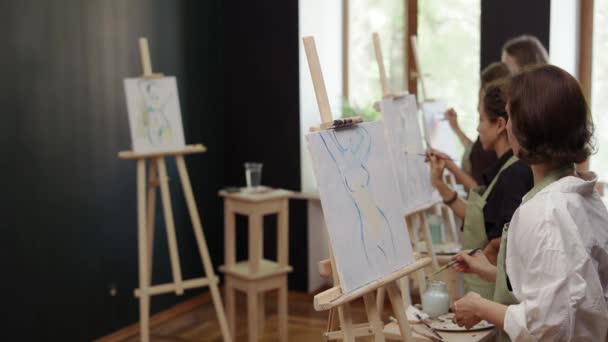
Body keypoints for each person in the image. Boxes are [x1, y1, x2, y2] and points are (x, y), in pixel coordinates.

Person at [451, 65, 608, 341]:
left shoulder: (544, 212)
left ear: (528, 127)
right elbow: (561, 288)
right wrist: (492, 272)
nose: (507, 124)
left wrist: (480, 306)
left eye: (510, 116)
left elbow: (547, 324)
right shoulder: (582, 196)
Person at [429, 80, 533, 300]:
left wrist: (485, 253)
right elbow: (480, 219)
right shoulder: (504, 169)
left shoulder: (514, 174)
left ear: (500, 124)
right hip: (489, 287)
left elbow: (508, 238)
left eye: (481, 119)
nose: (477, 128)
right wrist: (440, 184)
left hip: (498, 294)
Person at [443, 62, 511, 190]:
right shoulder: (492, 143)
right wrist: (456, 129)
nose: (478, 128)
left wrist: (450, 168)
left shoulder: (507, 167)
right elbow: (476, 149)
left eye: (481, 119)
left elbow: (480, 196)